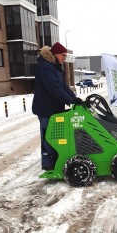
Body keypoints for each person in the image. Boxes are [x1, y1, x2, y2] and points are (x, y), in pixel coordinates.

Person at [32, 42, 82, 170]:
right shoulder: (46, 68)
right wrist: (70, 101)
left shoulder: (55, 67)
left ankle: (55, 159)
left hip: (54, 108)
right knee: (48, 135)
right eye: (63, 55)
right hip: (45, 109)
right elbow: (53, 88)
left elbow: (63, 87)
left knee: (56, 135)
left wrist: (74, 98)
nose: (64, 58)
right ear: (55, 54)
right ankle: (47, 163)